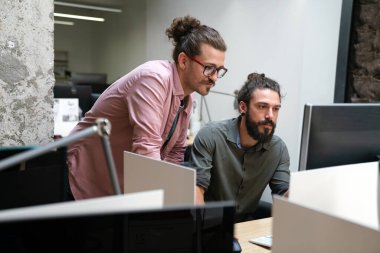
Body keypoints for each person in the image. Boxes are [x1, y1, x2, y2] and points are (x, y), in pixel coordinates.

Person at [67, 15, 228, 200]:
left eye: (219, 70)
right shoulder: (153, 78)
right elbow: (147, 149)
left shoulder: (187, 98)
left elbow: (174, 153)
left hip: (116, 187)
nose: (214, 77)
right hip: (82, 176)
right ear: (183, 61)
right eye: (209, 68)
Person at [187, 73, 290, 222]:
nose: (270, 115)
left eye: (276, 109)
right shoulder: (211, 135)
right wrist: (205, 229)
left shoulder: (278, 149)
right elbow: (196, 190)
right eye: (262, 107)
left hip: (245, 229)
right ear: (243, 107)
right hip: (208, 224)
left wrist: (302, 193)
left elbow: (283, 197)